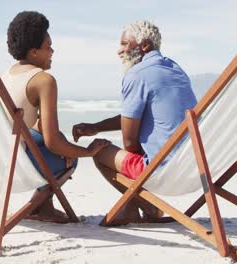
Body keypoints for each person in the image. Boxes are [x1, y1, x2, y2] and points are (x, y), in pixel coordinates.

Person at [73, 20, 197, 221]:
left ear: (144, 45)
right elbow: (140, 116)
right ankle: (136, 207)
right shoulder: (176, 70)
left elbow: (130, 143)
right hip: (192, 168)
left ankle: (145, 207)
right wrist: (97, 127)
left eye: (124, 44)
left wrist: (100, 137)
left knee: (99, 150)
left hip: (162, 172)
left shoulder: (137, 75)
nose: (119, 51)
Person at [3, 11, 111, 222]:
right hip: (17, 169)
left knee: (56, 141)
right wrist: (87, 152)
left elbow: (37, 128)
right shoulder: (43, 80)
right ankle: (40, 206)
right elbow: (53, 144)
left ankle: (44, 207)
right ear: (34, 52)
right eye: (48, 47)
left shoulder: (8, 74)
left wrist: (60, 140)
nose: (52, 51)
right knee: (70, 160)